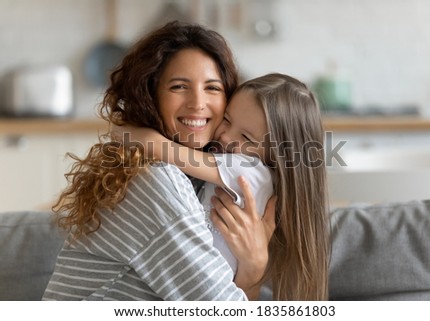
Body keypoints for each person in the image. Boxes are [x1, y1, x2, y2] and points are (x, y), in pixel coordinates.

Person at [42, 21, 275, 301]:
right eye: (179, 87)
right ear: (151, 96)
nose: (197, 103)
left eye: (212, 88)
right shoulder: (156, 181)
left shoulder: (198, 178)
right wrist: (253, 269)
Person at [119, 73, 330, 300]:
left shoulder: (253, 171)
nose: (226, 136)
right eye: (227, 120)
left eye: (247, 138)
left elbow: (166, 151)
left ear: (278, 154)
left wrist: (124, 132)